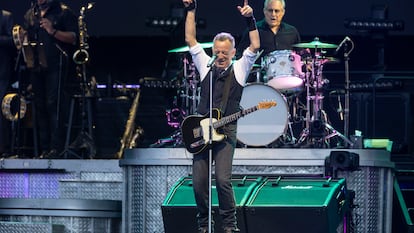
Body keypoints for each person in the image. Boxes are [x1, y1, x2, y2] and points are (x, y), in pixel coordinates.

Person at [182, 0, 260, 232]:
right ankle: (204, 225)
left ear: (233, 52)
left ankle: (229, 227)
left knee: (223, 181)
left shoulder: (239, 68)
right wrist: (191, 10)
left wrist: (250, 19)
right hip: (201, 131)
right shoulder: (206, 66)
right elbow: (190, 40)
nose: (221, 56)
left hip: (225, 132)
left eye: (225, 52)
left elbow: (255, 44)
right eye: (217, 52)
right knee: (198, 184)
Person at [22, 0, 78, 158]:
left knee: (54, 104)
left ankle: (57, 148)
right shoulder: (30, 14)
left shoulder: (64, 12)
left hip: (56, 65)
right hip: (36, 66)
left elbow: (73, 38)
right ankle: (44, 148)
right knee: (39, 106)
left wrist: (53, 31)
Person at [0, 9, 15, 157]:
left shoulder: (5, 16)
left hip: (2, 73)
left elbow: (13, 41)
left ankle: (3, 148)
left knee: (2, 110)